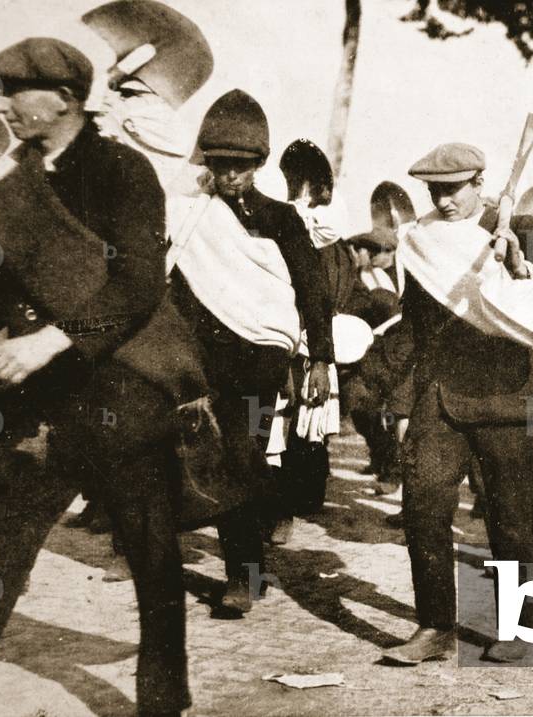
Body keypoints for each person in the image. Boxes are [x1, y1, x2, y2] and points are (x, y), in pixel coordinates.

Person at [0, 38, 192, 716]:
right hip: (31, 407)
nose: (1, 105)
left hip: (121, 389)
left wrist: (48, 342)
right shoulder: (7, 185)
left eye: (13, 90)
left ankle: (163, 699)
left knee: (152, 560)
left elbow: (138, 283)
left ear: (64, 99)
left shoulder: (123, 170)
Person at [381, 142, 533, 665]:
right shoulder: (420, 240)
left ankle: (519, 625)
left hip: (506, 395)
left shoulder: (519, 228)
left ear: (479, 183)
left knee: (509, 518)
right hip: (439, 395)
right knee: (422, 508)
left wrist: (517, 266)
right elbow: (414, 325)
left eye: (453, 190)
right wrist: (397, 397)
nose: (442, 201)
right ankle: (434, 626)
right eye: (434, 191)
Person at [168, 89, 334, 613]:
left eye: (239, 166)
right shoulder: (193, 215)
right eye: (219, 164)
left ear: (259, 164)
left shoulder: (282, 218)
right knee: (220, 462)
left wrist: (321, 360)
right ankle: (247, 568)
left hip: (260, 357)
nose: (229, 175)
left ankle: (244, 575)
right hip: (201, 357)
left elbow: (312, 291)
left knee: (238, 459)